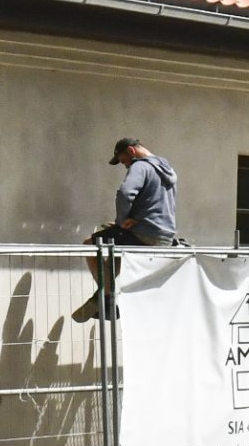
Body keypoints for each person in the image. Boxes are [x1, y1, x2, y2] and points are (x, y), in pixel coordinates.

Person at [70, 138, 182, 322]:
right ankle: (105, 296)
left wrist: (121, 221)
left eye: (124, 161)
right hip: (165, 237)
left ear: (131, 151)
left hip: (143, 233)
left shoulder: (140, 166)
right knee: (113, 251)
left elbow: (125, 193)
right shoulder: (167, 168)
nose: (125, 166)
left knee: (89, 245)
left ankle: (106, 298)